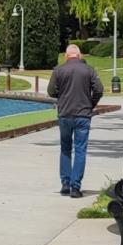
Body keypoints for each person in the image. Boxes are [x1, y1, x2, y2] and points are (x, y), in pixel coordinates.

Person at [47, 44, 104, 198]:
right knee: (80, 150)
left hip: (65, 114)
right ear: (80, 56)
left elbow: (51, 91)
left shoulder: (59, 70)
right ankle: (75, 187)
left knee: (65, 148)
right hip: (82, 115)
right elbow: (99, 89)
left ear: (66, 56)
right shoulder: (89, 70)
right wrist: (91, 104)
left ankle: (65, 183)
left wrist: (62, 96)